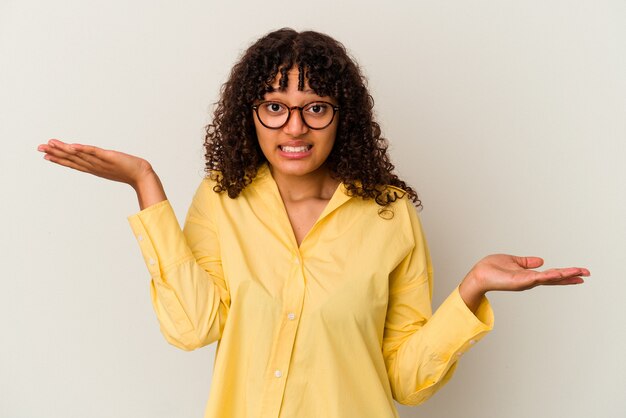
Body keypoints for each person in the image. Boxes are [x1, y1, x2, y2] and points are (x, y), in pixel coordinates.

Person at [37, 28, 589, 418]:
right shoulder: (221, 200)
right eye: (275, 106)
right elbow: (192, 327)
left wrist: (471, 290)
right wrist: (145, 185)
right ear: (249, 113)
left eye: (315, 107)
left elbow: (404, 382)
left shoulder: (388, 213)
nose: (294, 127)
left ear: (340, 115)